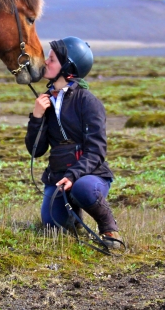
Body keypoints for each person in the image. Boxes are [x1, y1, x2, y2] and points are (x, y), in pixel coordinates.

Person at [25, 37, 123, 248]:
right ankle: (74, 217)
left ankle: (109, 229)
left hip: (90, 176)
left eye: (51, 59)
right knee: (52, 225)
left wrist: (72, 175)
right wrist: (36, 116)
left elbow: (96, 152)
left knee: (83, 189)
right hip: (57, 178)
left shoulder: (88, 102)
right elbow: (37, 150)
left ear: (68, 67)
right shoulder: (46, 100)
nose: (45, 62)